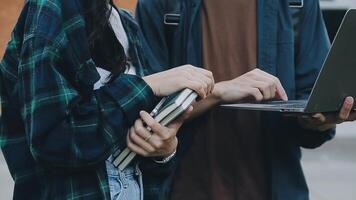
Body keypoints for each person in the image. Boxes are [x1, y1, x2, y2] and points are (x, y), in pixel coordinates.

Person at [136, 0, 356, 199]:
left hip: (275, 190)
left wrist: (321, 119)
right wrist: (218, 93)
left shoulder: (297, 4)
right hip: (185, 189)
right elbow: (147, 112)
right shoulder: (161, 5)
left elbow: (310, 107)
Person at [0, 0, 215, 199]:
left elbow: (142, 159)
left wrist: (164, 150)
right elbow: (53, 141)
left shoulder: (126, 22)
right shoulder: (49, 8)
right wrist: (148, 85)